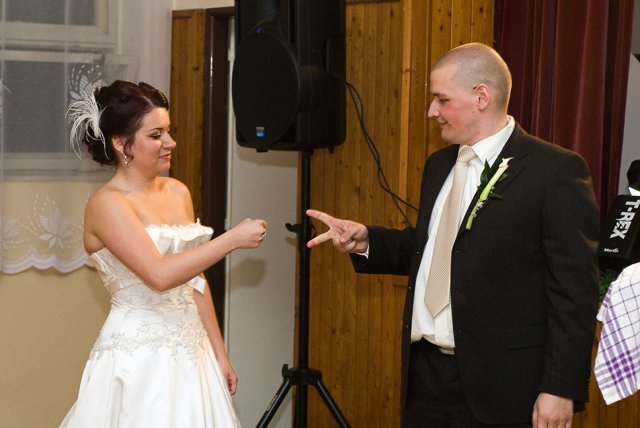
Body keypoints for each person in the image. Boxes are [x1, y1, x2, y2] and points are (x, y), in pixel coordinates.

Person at [307, 43, 599, 427]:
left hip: (505, 386)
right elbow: (438, 248)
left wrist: (560, 388)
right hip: (425, 377)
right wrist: (368, 242)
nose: (432, 111)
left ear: (482, 97)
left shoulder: (554, 171)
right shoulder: (439, 164)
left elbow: (575, 292)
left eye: (442, 99)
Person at [61, 80, 266, 427]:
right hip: (138, 359)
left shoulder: (177, 192)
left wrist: (219, 353)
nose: (170, 143)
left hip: (192, 352)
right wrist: (231, 239)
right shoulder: (107, 204)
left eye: (168, 132)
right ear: (121, 143)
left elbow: (194, 278)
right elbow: (159, 275)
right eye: (156, 135)